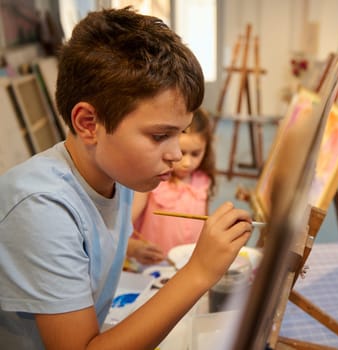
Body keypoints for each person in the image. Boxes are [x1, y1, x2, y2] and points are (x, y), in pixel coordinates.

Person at [0, 7, 253, 349]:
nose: (177, 154)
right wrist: (200, 271)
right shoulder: (41, 208)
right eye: (159, 135)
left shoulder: (118, 175)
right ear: (88, 124)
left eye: (181, 133)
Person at [132, 107, 216, 255]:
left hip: (187, 263)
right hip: (153, 264)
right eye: (182, 152)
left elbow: (204, 223)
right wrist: (131, 246)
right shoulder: (151, 179)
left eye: (196, 154)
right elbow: (125, 222)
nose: (187, 163)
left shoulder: (203, 181)